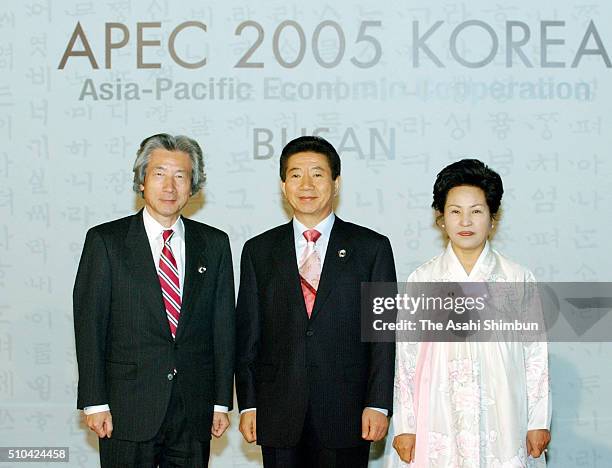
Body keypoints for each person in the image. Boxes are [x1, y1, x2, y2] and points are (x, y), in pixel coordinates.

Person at [73, 133, 235, 467]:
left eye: (181, 176)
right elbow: (89, 324)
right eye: (159, 174)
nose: (170, 187)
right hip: (126, 407)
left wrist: (220, 401)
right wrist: (94, 401)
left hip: (193, 408)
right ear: (142, 181)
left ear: (193, 187)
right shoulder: (106, 241)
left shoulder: (215, 244)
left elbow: (223, 326)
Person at [235, 135, 396, 468]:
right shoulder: (259, 251)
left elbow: (383, 335)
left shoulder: (372, 248)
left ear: (336, 184)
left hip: (348, 412)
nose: (306, 184)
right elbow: (248, 336)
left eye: (317, 174)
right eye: (295, 175)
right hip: (278, 413)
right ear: (283, 185)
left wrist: (378, 404)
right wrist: (249, 404)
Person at [387, 159, 551, 467]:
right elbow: (406, 359)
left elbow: (535, 355)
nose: (465, 221)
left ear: (492, 219)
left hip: (503, 410)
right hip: (438, 410)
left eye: (476, 211)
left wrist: (538, 420)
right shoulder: (422, 280)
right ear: (441, 219)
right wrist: (406, 426)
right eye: (455, 211)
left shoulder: (517, 277)